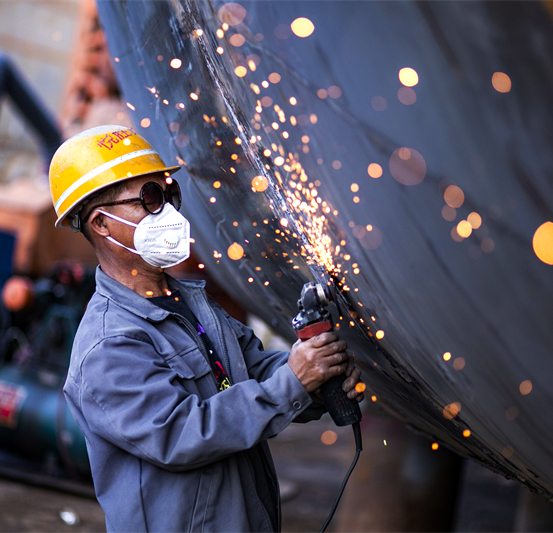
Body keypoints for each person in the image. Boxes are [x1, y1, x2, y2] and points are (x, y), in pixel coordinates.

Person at [49, 125, 364, 532]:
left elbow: (252, 368)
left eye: (169, 195)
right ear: (102, 225)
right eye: (150, 199)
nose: (168, 212)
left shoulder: (190, 300)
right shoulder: (110, 344)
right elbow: (183, 435)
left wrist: (317, 381)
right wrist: (293, 383)